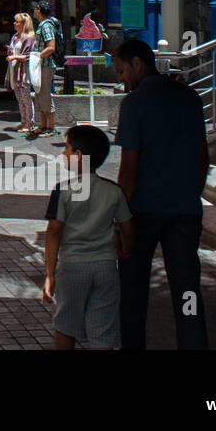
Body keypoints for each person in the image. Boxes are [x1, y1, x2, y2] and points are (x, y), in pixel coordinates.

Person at [113, 38, 210, 350]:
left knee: (133, 290)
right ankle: (193, 343)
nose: (121, 78)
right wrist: (190, 195)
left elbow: (128, 168)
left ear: (138, 63)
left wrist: (119, 216)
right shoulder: (190, 97)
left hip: (142, 210)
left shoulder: (134, 103)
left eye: (121, 70)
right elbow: (203, 157)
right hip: (185, 209)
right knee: (187, 290)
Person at [42, 125, 134, 350]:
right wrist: (124, 250)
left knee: (66, 325)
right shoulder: (113, 190)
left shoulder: (63, 190)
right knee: (103, 330)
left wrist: (50, 274)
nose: (63, 153)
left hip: (73, 266)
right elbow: (127, 228)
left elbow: (54, 230)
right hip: (105, 266)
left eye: (67, 148)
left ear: (79, 156)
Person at [30, 0, 61, 138]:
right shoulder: (41, 25)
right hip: (41, 65)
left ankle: (51, 127)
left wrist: (37, 57)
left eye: (36, 9)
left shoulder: (46, 26)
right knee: (39, 94)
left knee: (45, 95)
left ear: (39, 10)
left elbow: (51, 47)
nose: (34, 11)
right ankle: (43, 125)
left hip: (45, 65)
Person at [7, 13, 36, 134]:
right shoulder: (15, 37)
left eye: (17, 22)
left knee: (26, 98)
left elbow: (27, 56)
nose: (14, 23)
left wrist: (14, 56)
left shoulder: (28, 38)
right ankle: (24, 121)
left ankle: (30, 123)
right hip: (14, 70)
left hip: (23, 72)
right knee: (19, 98)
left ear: (23, 24)